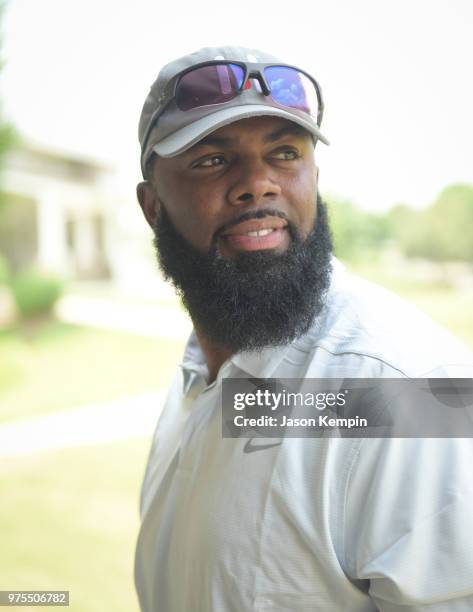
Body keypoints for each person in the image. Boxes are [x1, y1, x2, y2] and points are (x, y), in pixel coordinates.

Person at [133, 46, 473, 611]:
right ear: (153, 206)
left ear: (314, 177)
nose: (258, 185)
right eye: (213, 160)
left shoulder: (410, 388)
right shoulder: (200, 372)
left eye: (285, 153)